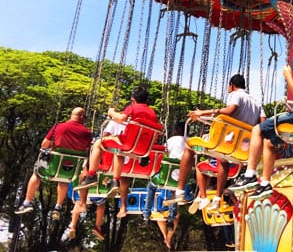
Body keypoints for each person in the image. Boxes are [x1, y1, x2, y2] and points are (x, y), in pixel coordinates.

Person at [229, 47, 293, 200]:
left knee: (257, 130)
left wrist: (288, 75)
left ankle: (249, 174)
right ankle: (265, 183)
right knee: (269, 143)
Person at [167, 74, 263, 211]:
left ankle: (180, 191)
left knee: (189, 146)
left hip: (226, 142)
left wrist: (204, 113)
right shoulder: (256, 102)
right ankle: (217, 198)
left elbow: (230, 110)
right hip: (242, 149)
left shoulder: (236, 95)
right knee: (223, 160)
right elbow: (262, 123)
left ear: (232, 85)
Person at [75, 86, 160, 219]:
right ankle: (117, 189)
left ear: (133, 100)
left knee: (99, 143)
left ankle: (91, 176)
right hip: (140, 152)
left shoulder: (133, 108)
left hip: (126, 148)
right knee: (118, 150)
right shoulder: (152, 113)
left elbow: (120, 119)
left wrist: (111, 112)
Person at [15, 107, 92, 218]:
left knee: (37, 172)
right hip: (71, 171)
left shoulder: (59, 127)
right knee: (64, 180)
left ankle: (27, 202)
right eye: (85, 117)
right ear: (81, 116)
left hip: (52, 168)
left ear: (72, 115)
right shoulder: (87, 133)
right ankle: (58, 206)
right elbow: (87, 150)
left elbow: (44, 144)